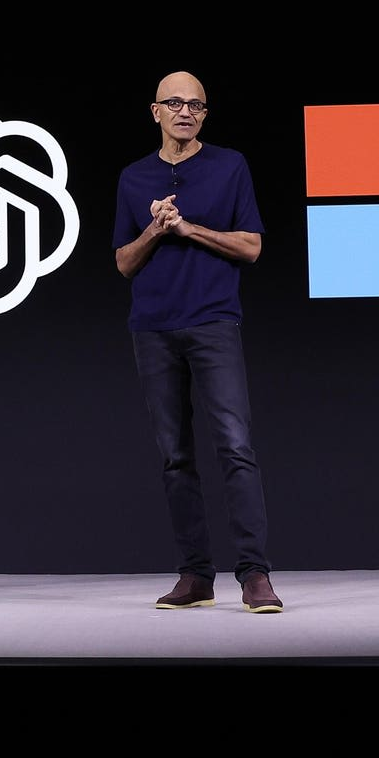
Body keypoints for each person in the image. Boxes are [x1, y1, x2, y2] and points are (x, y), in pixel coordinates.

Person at [113, 70, 283, 613]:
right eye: (174, 103)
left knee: (235, 446)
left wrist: (188, 228)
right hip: (153, 328)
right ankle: (195, 575)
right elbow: (123, 262)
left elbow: (251, 247)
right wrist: (155, 230)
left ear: (205, 114)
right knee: (175, 456)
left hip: (213, 322)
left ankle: (254, 574)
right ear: (155, 111)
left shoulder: (230, 166)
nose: (185, 112)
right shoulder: (134, 177)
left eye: (196, 104)